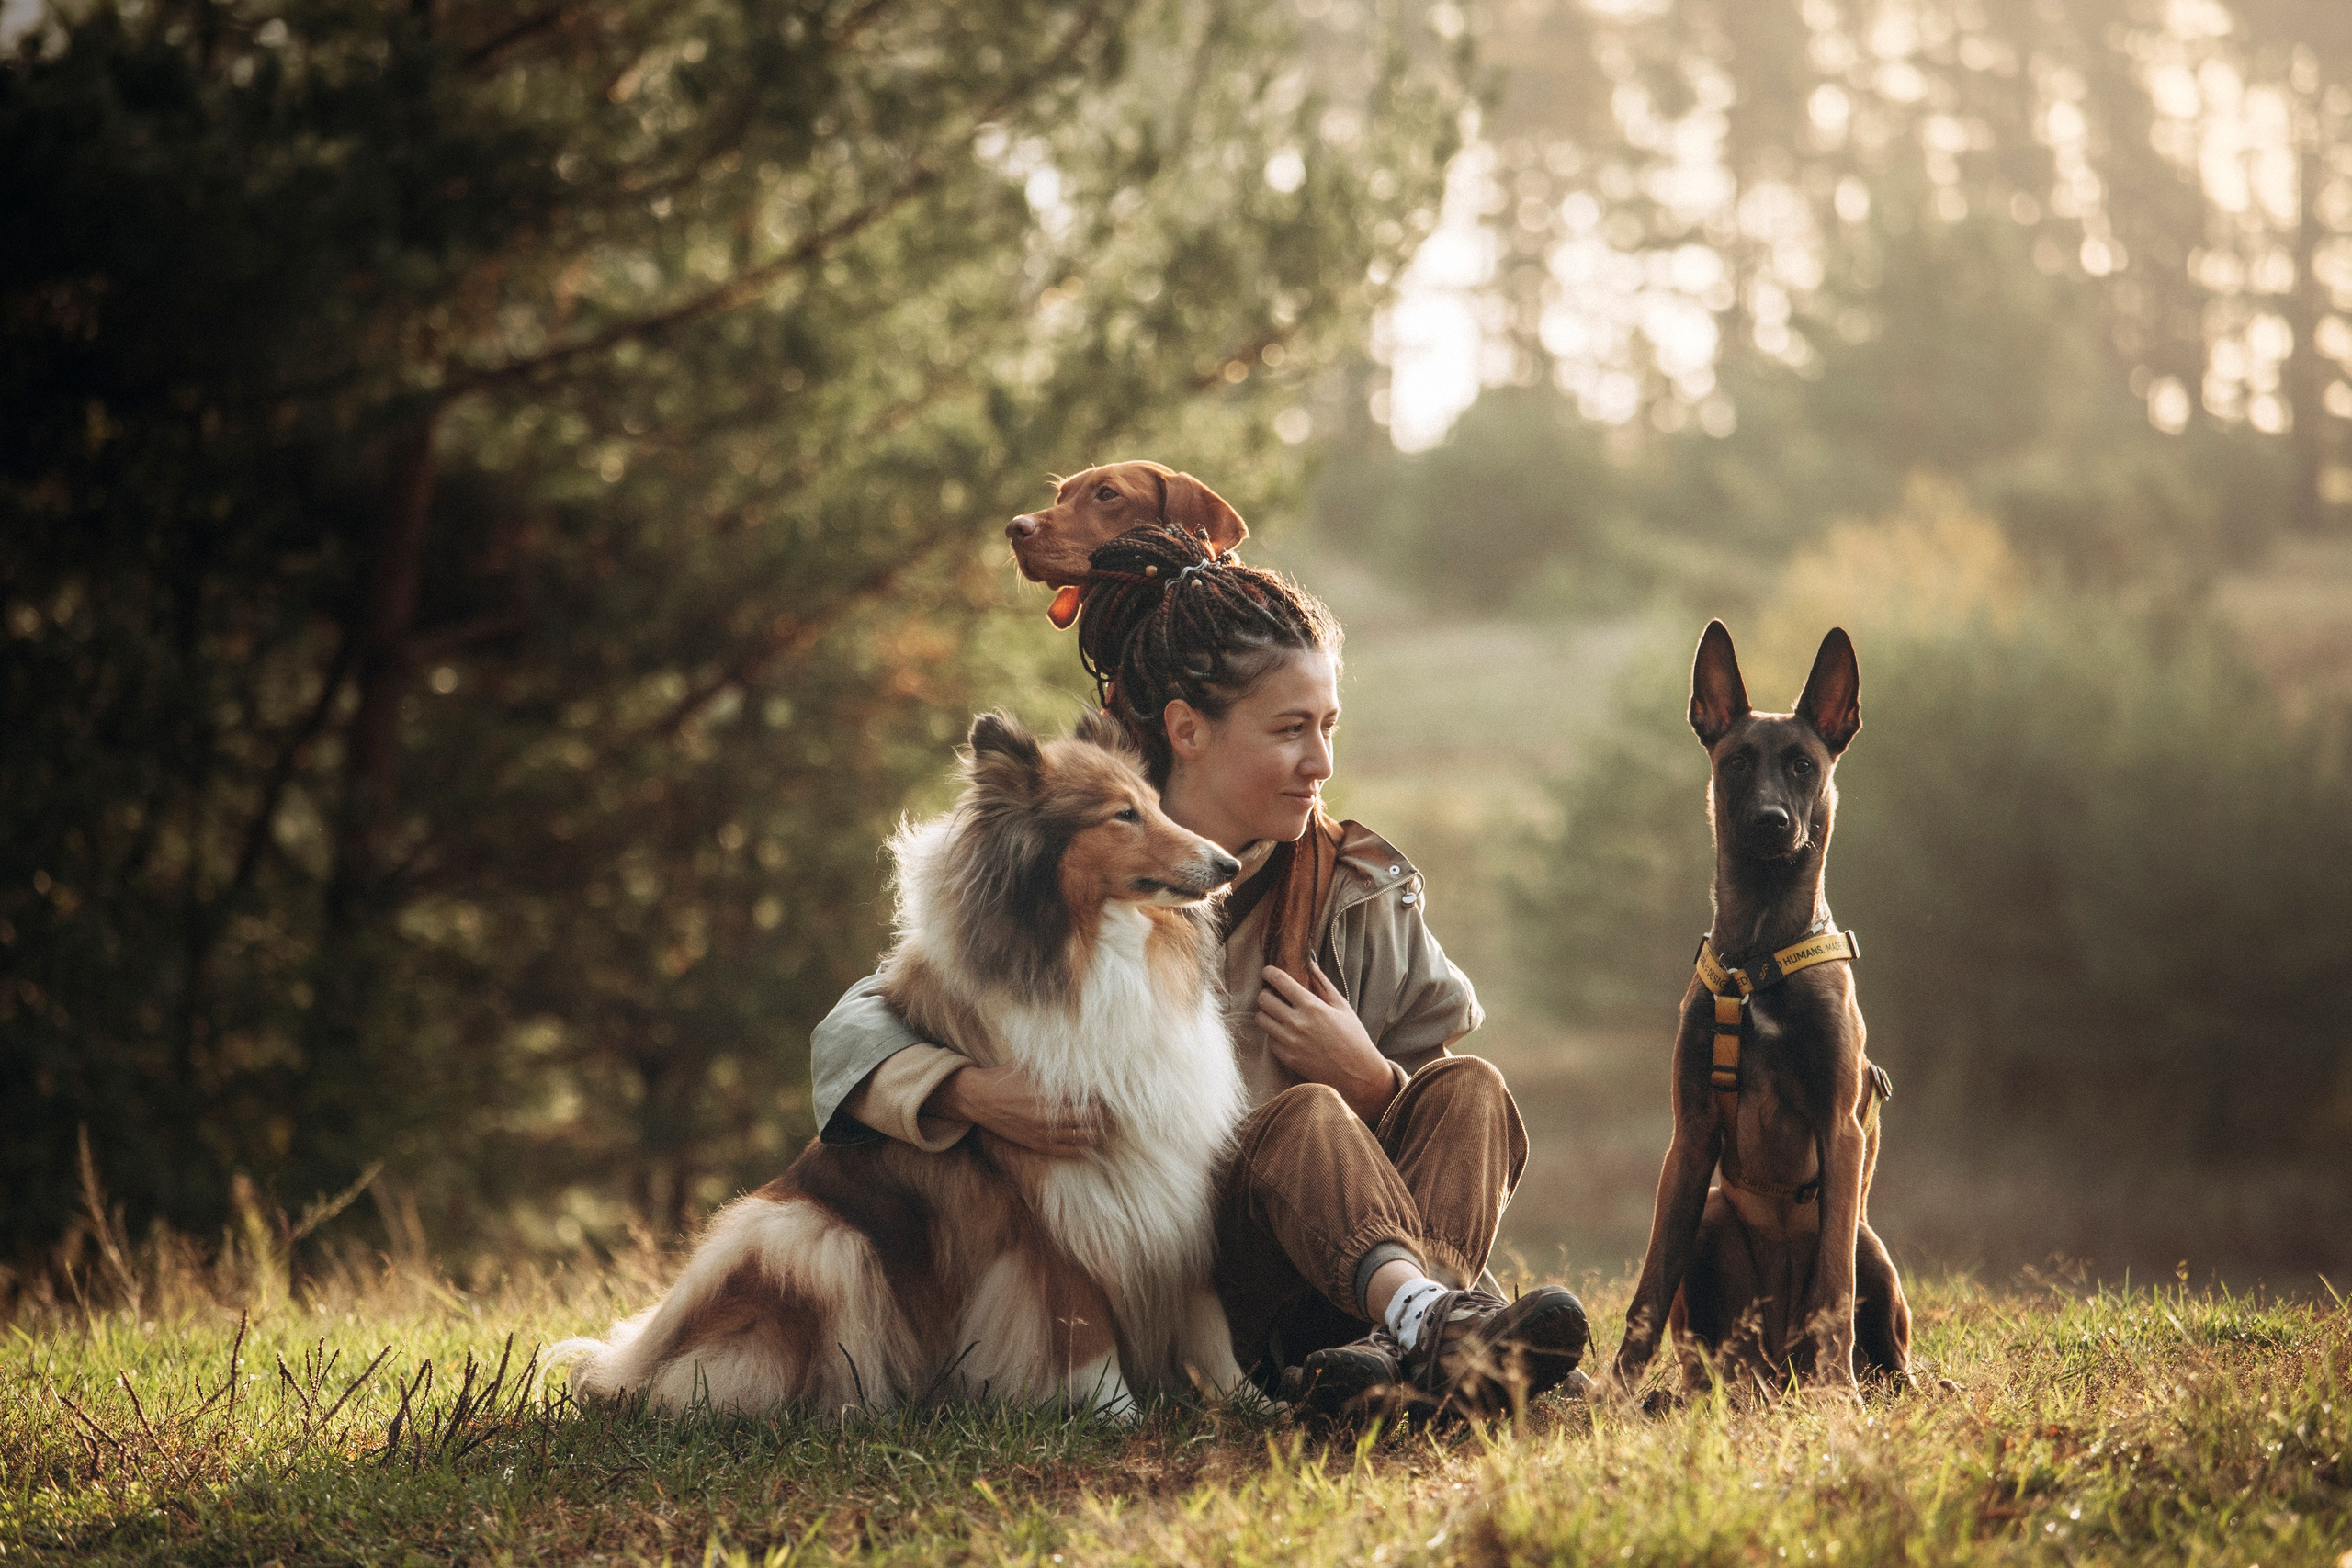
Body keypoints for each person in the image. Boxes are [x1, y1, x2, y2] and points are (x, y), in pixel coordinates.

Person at [808, 524, 1587, 1418]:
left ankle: (1411, 1345)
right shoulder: (1092, 859)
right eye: (1290, 730)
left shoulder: (1362, 885)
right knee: (1302, 1116)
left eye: (1328, 727)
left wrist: (1374, 1079)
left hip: (1365, 1272)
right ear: (1186, 729)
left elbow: (1438, 1122)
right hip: (1213, 1281)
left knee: (1471, 1089)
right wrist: (969, 1093)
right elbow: (856, 1028)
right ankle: (1434, 1341)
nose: (1321, 764)